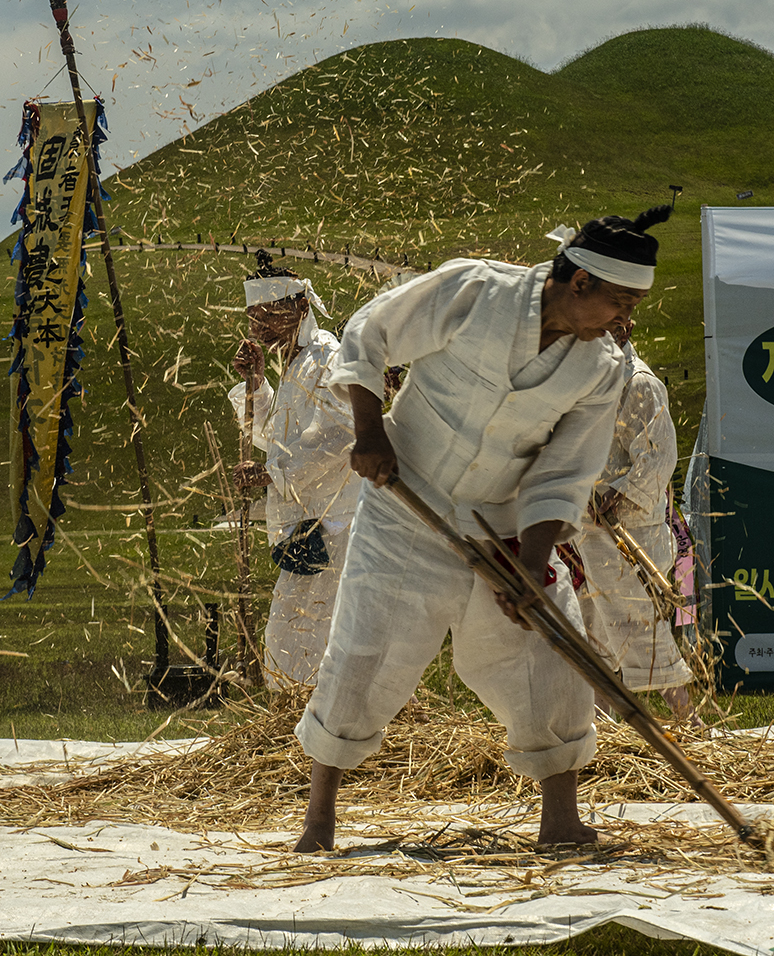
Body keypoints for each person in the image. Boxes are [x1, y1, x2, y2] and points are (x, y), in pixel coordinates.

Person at [294, 207, 669, 852]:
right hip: (406, 498)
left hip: (505, 521)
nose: (623, 320)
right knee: (366, 650)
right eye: (620, 303)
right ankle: (320, 820)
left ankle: (560, 820)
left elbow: (563, 471)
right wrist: (370, 430)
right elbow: (370, 333)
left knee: (551, 649)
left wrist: (532, 563)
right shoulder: (477, 291)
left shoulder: (601, 369)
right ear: (579, 282)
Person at [228, 252, 362, 685]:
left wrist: (274, 474)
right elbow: (273, 439)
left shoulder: (327, 357)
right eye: (253, 318)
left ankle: (305, 710)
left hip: (333, 521)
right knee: (307, 630)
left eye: (268, 315)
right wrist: (256, 383)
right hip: (309, 521)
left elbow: (340, 432)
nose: (258, 328)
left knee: (297, 632)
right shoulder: (295, 363)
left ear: (300, 306)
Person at [574, 312, 700, 727]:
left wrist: (617, 492)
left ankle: (688, 720)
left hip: (632, 533)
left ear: (626, 329)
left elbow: (660, 456)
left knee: (636, 626)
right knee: (596, 630)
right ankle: (600, 724)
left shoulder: (640, 383)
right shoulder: (589, 377)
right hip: (594, 531)